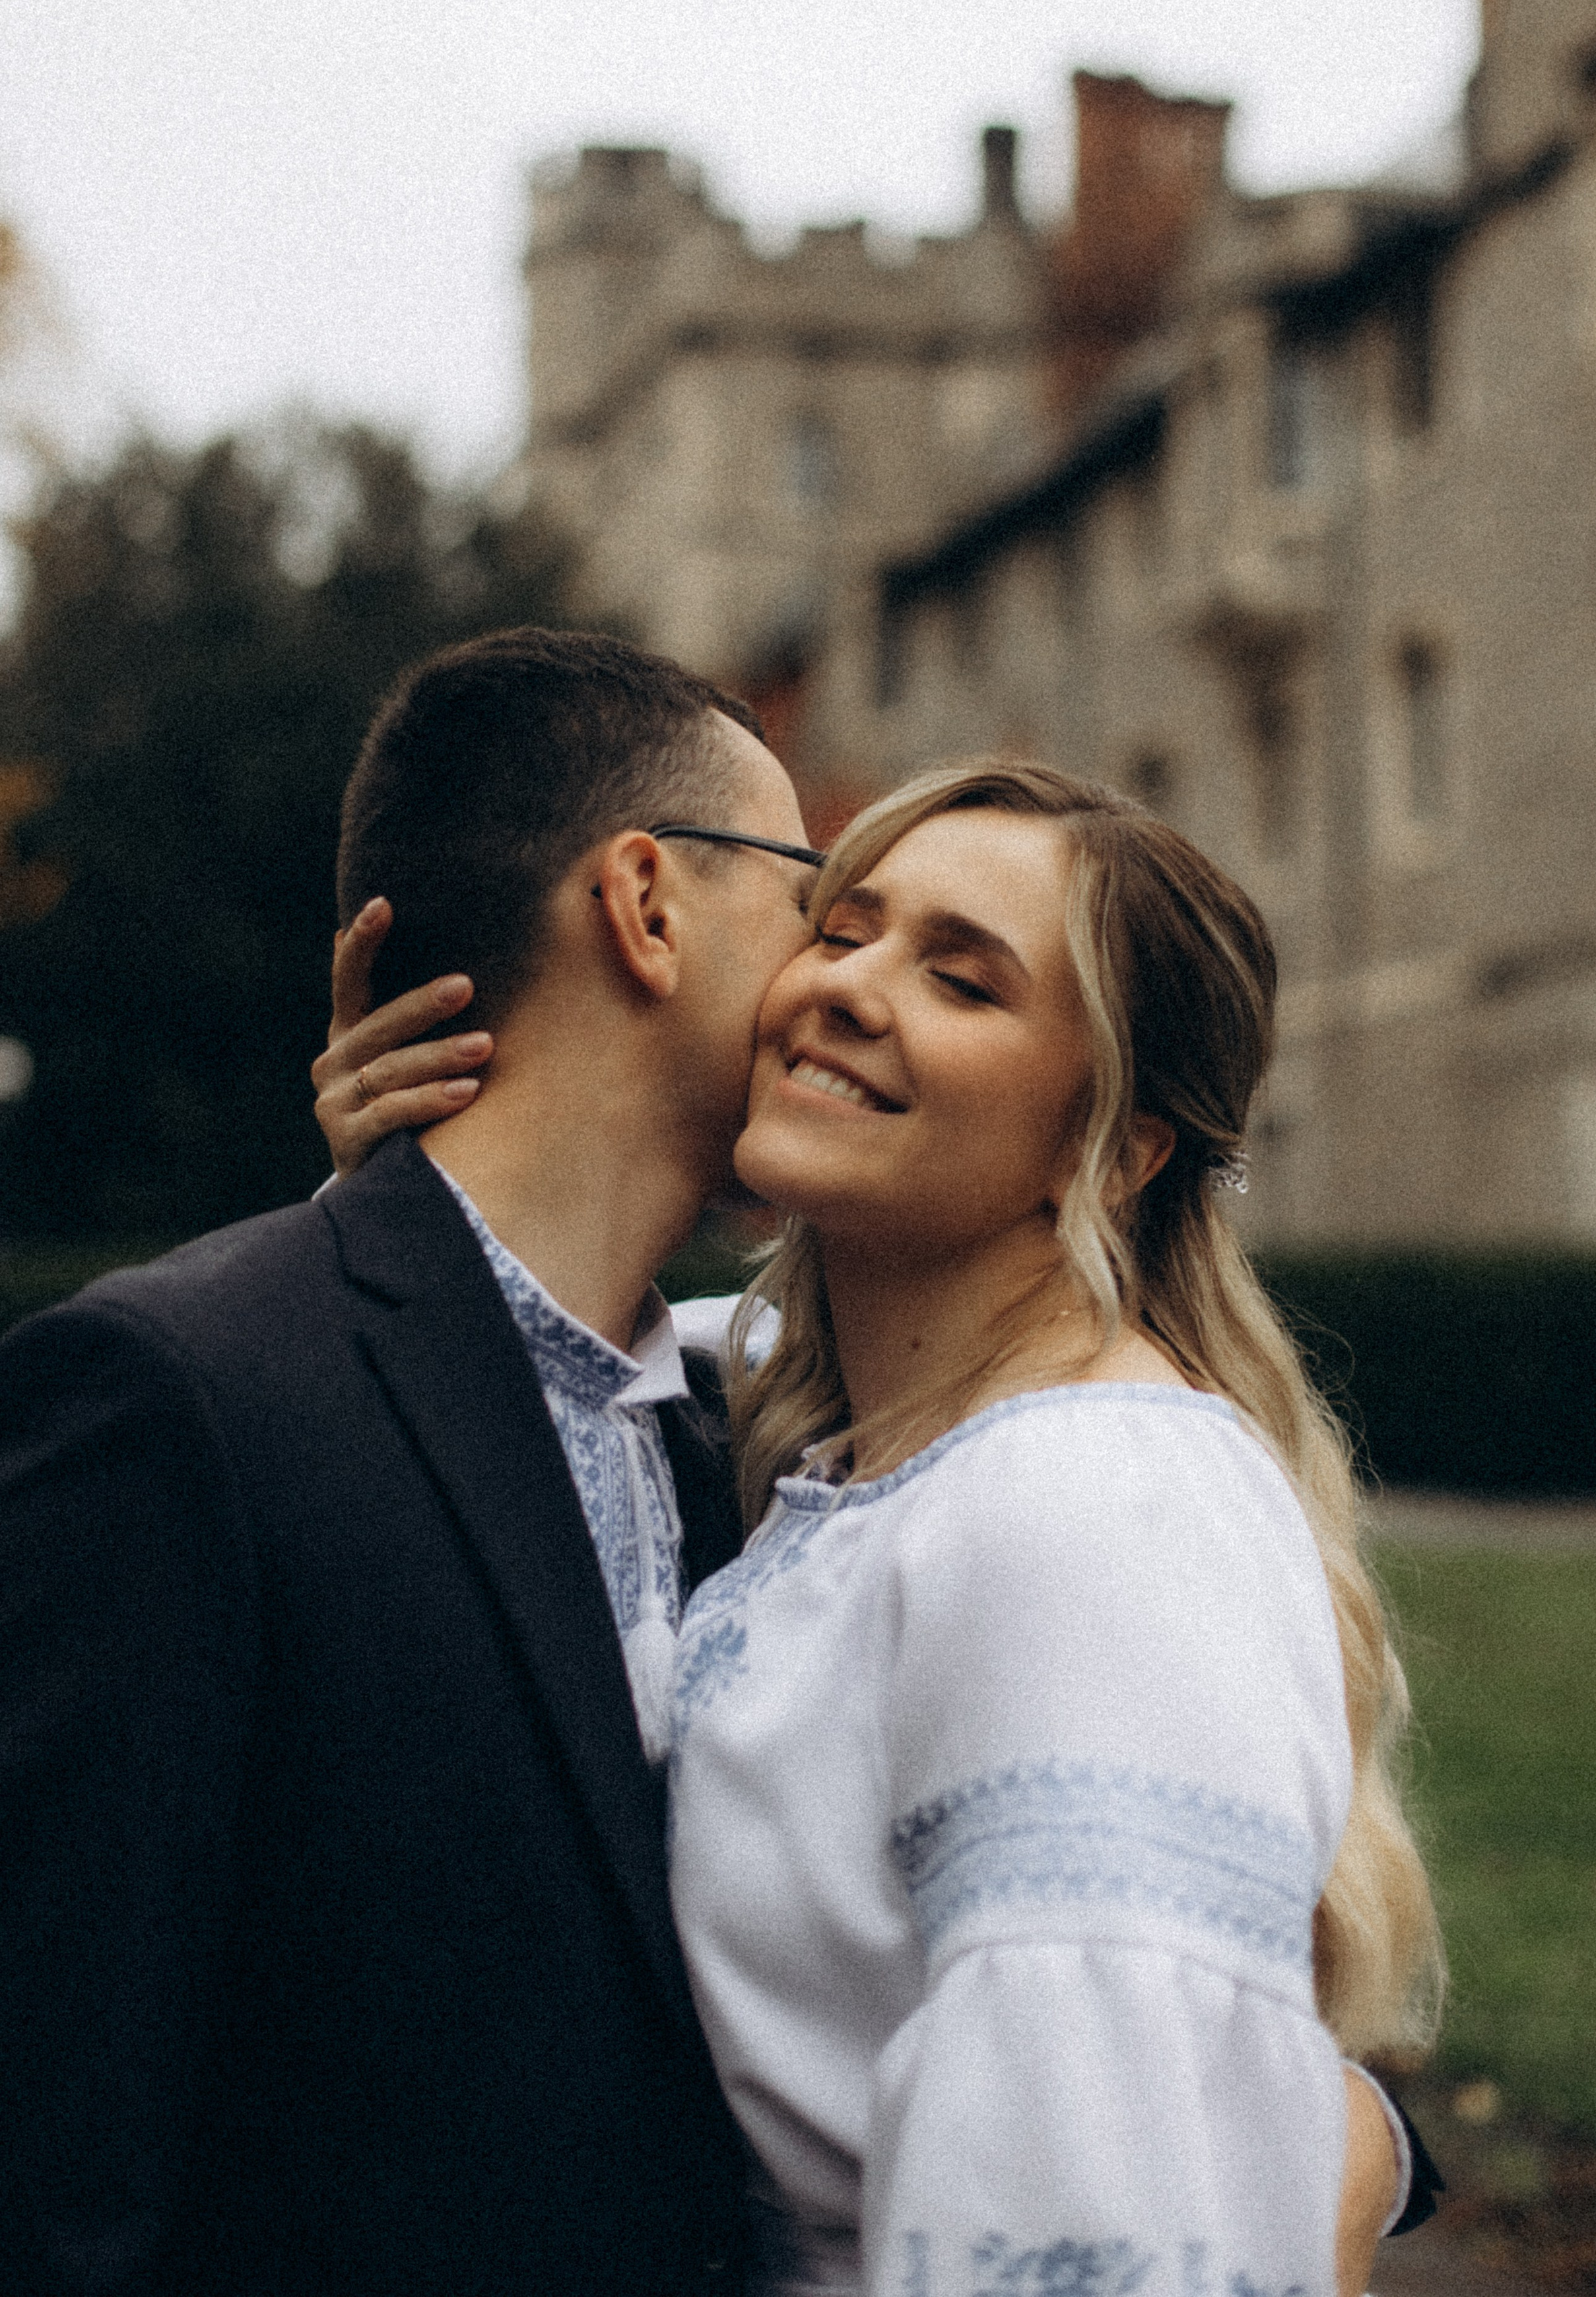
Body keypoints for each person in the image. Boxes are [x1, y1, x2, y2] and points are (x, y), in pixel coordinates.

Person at [319, 754, 1444, 2297]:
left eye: (962, 982)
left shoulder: (1087, 1505)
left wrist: (1351, 2149)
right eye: (841, 931)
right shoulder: (819, 1415)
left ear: (1111, 1151)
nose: (846, 990)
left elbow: (1091, 2223)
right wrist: (421, 1197)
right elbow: (557, 1352)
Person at [0, 628, 826, 2297]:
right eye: (812, 892)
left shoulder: (764, 1441)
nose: (840, 972)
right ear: (647, 904)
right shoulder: (185, 1405)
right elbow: (52, 2155)